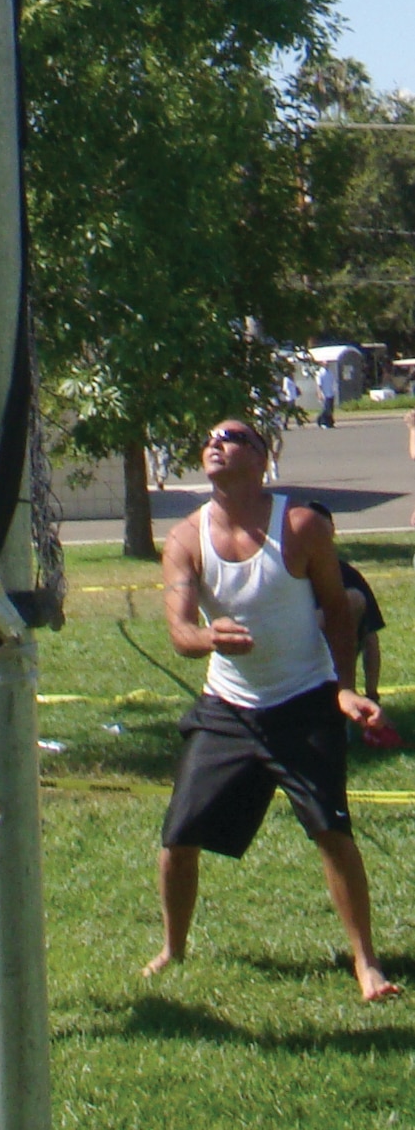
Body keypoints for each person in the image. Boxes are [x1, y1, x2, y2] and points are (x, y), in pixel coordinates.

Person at [144, 419, 400, 1001]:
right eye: (208, 436)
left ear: (262, 457)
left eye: (233, 436)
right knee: (177, 837)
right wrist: (210, 639)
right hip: (228, 707)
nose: (216, 442)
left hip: (304, 700)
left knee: (331, 831)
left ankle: (366, 963)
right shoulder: (186, 539)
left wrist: (342, 689)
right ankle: (172, 948)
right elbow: (181, 632)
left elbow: (340, 611)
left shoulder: (303, 525)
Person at [306, 502, 397, 741]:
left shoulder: (348, 576)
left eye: (322, 530)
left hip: (335, 666)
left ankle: (341, 712)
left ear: (333, 532)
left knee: (353, 599)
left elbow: (370, 639)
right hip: (292, 665)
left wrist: (371, 695)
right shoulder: (285, 577)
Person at [316, 362, 336, 429]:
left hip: (330, 393)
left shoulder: (330, 372)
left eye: (327, 364)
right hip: (324, 394)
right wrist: (319, 394)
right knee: (325, 409)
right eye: (325, 364)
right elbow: (319, 385)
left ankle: (330, 423)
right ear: (322, 364)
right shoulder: (320, 373)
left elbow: (333, 382)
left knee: (330, 409)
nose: (327, 365)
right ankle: (322, 422)